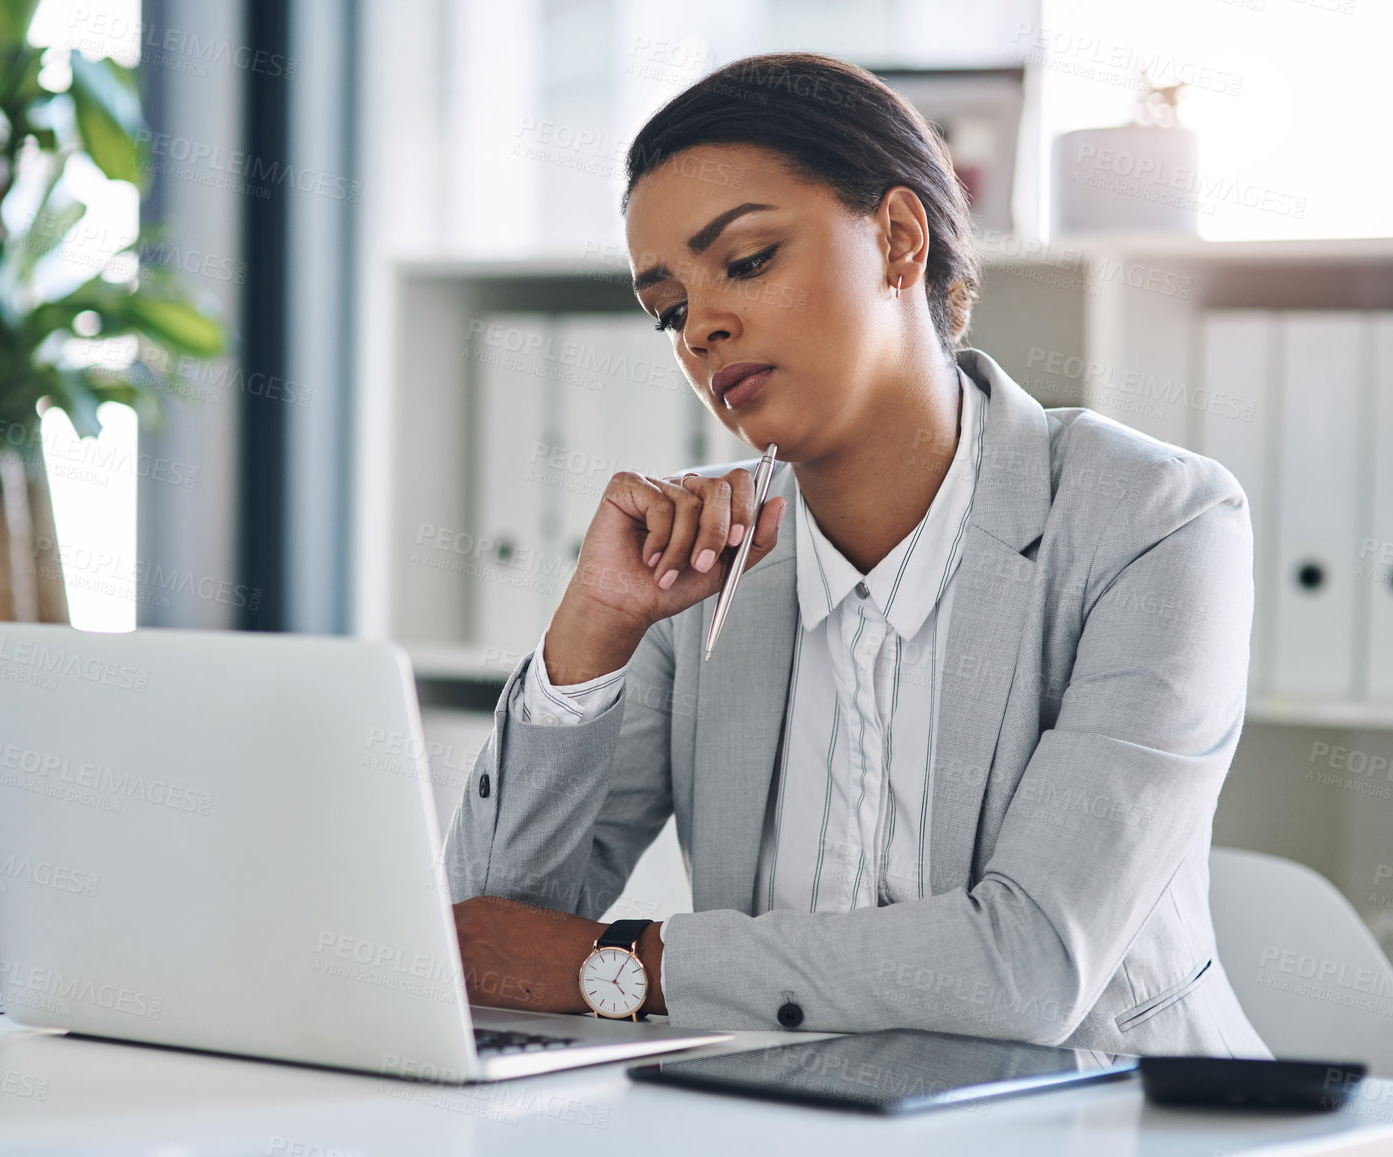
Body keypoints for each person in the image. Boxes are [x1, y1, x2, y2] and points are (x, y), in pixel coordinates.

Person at [440, 52, 1270, 1057]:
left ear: (896, 238)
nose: (700, 325)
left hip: (1107, 1120)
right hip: (784, 1116)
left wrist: (620, 968)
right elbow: (488, 936)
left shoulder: (1153, 521)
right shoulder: (706, 566)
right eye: (666, 307)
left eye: (745, 260)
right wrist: (592, 637)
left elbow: (1026, 967)